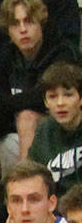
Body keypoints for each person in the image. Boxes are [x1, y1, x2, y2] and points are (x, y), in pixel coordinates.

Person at [0, 0, 79, 200]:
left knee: (27, 116)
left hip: (55, 136)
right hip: (14, 137)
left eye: (29, 21)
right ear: (8, 30)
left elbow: (38, 98)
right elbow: (4, 107)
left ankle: (25, 192)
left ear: (41, 23)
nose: (23, 30)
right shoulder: (7, 57)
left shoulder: (63, 52)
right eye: (16, 24)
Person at [29, 61, 82, 195]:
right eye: (52, 96)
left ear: (80, 99)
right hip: (54, 205)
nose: (60, 103)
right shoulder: (44, 131)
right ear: (46, 102)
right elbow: (34, 175)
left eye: (68, 95)